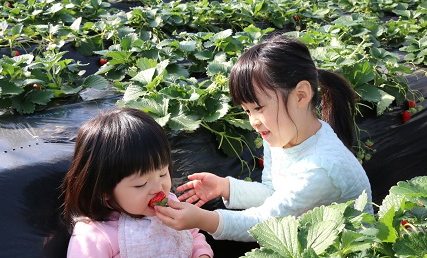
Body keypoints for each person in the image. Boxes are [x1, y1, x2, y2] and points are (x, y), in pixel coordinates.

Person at [154, 35, 373, 242]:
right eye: (247, 111)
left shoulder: (321, 168)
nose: (254, 121)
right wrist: (225, 187)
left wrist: (203, 219)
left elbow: (265, 221)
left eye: (259, 108)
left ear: (301, 95)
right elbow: (274, 194)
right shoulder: (284, 138)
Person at [62, 108, 214, 258]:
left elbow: (193, 235)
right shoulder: (95, 234)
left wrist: (203, 257)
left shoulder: (171, 205)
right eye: (141, 184)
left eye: (163, 173)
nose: (158, 188)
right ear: (104, 193)